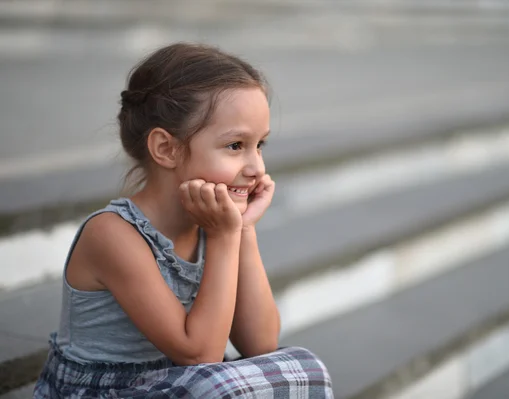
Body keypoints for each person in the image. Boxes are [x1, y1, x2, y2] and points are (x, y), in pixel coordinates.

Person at [33, 42, 333, 398]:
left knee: (304, 368)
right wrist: (224, 238)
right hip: (111, 391)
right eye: (236, 146)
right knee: (218, 385)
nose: (257, 168)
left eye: (260, 145)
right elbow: (199, 355)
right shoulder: (113, 234)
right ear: (166, 149)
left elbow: (261, 343)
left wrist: (243, 230)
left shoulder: (215, 224)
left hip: (183, 385)